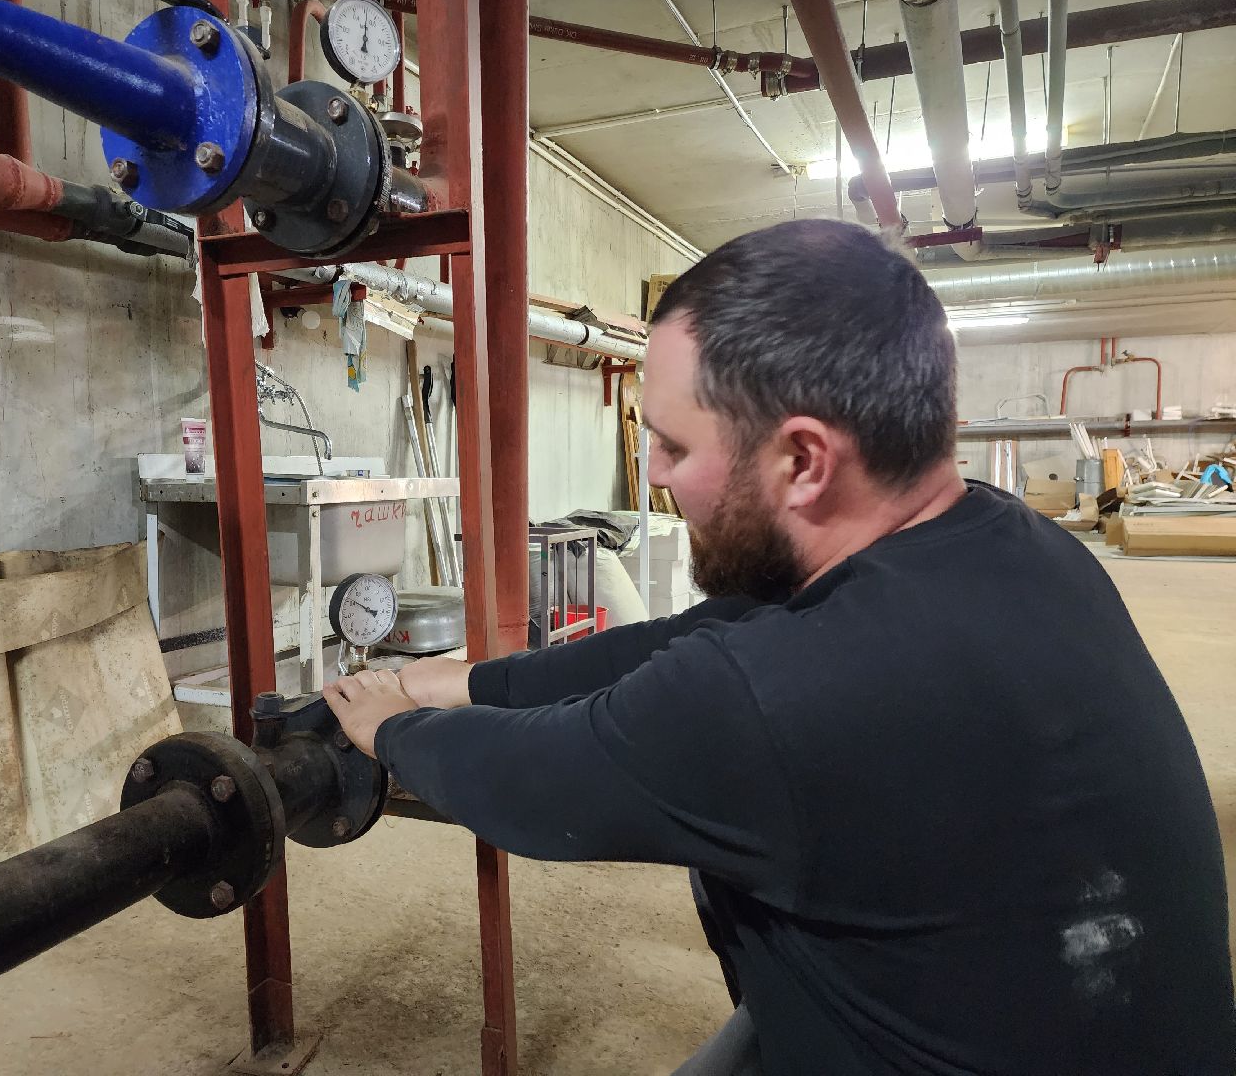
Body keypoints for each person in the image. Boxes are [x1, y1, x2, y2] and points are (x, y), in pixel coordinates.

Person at [323, 220, 1234, 1075]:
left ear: (803, 460)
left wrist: (392, 730)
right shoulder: (1013, 545)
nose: (658, 475)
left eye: (676, 447)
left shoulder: (792, 696)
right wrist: (466, 677)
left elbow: (539, 787)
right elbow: (692, 636)